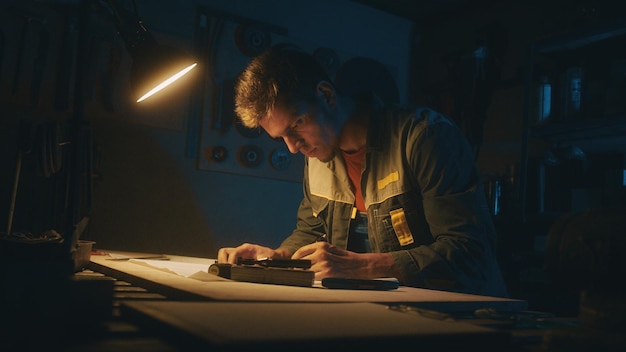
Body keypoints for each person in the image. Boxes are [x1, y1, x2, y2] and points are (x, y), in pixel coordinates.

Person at [217, 47, 508, 298]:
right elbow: (311, 232)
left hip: (469, 321)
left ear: (326, 95)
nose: (293, 148)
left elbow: (470, 253)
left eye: (296, 125)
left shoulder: (425, 138)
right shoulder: (318, 153)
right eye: (281, 137)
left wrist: (363, 267)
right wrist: (277, 258)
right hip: (387, 319)